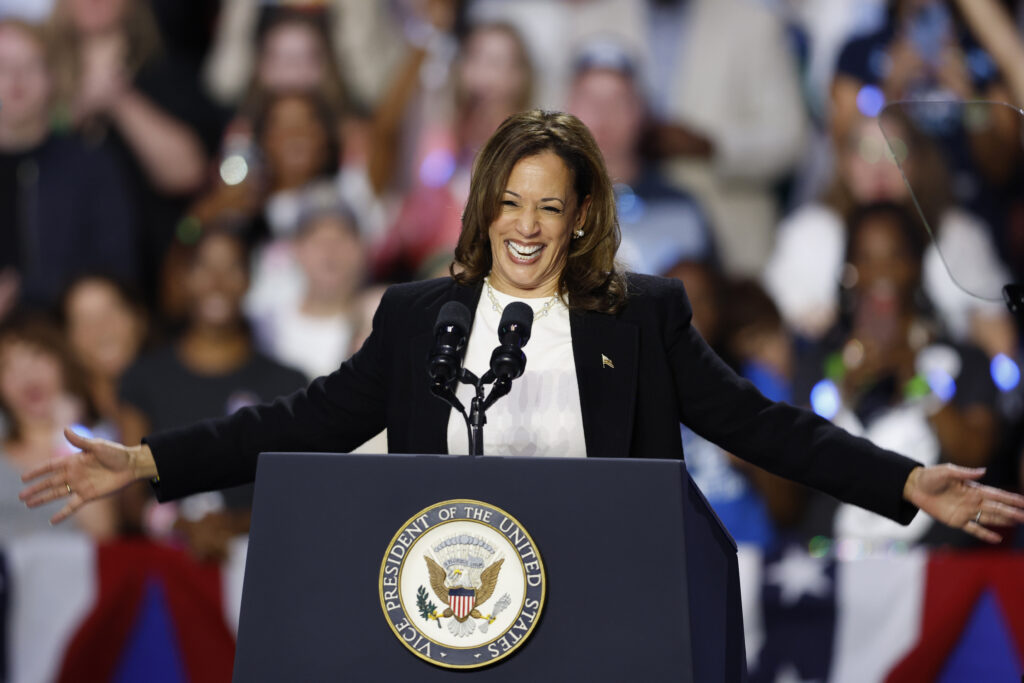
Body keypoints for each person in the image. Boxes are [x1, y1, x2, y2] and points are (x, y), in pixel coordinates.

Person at [19, 110, 1024, 547]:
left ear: (582, 214)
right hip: (447, 593)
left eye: (550, 206)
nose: (528, 227)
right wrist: (149, 462)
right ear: (483, 208)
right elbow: (304, 419)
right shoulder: (418, 318)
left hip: (602, 596)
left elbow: (762, 424)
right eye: (510, 203)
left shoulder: (644, 316)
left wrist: (900, 478)